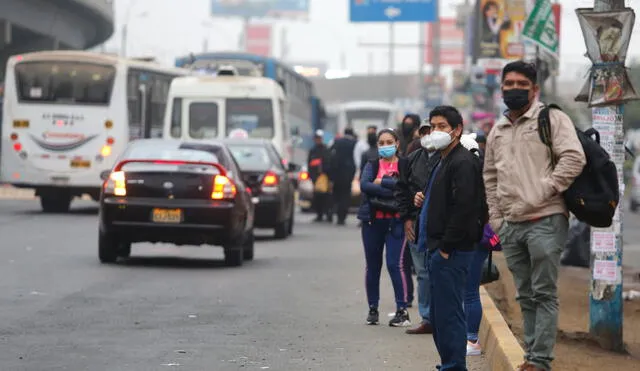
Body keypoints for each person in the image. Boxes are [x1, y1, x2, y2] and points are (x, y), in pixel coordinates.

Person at [484, 61, 586, 371]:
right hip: (511, 225)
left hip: (545, 219)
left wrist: (544, 189)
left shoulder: (551, 118)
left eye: (521, 84)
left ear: (534, 89)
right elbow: (489, 176)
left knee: (543, 293)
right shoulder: (497, 130)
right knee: (524, 295)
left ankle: (540, 361)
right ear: (501, 88)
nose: (514, 89)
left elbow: (573, 157)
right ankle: (531, 355)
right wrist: (496, 219)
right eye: (509, 84)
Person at [417, 105, 485, 371]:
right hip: (438, 248)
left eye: (442, 126)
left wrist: (446, 247)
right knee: (439, 314)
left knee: (449, 313)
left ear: (457, 130)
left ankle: (455, 365)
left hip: (452, 251)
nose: (435, 131)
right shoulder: (444, 159)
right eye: (432, 126)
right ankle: (449, 363)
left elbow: (464, 208)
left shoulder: (462, 161)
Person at [358, 128, 411, 327]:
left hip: (396, 222)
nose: (385, 146)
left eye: (389, 142)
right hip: (372, 222)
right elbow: (365, 186)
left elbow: (405, 189)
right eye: (381, 143)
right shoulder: (371, 164)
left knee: (394, 264)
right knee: (372, 265)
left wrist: (383, 183)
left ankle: (402, 310)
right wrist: (393, 188)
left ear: (397, 143)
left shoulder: (405, 164)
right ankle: (373, 308)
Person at [396, 119, 441, 335]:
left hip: (442, 224)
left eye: (431, 131)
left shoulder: (449, 159)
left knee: (441, 271)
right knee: (422, 272)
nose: (428, 136)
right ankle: (427, 318)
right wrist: (406, 219)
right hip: (416, 223)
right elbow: (401, 192)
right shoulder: (410, 160)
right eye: (424, 132)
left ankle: (443, 316)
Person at [329, 127, 358, 225]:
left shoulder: (337, 142)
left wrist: (331, 174)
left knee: (337, 194)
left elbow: (331, 155)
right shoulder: (355, 143)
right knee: (345, 195)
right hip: (348, 174)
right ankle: (342, 216)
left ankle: (336, 213)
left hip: (337, 173)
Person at [308, 130, 332, 222]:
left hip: (325, 177)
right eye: (316, 138)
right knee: (317, 197)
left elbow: (329, 163)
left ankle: (328, 214)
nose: (318, 140)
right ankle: (319, 214)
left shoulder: (326, 150)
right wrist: (312, 177)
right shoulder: (313, 151)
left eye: (319, 138)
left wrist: (328, 175)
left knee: (327, 197)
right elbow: (310, 164)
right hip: (316, 177)